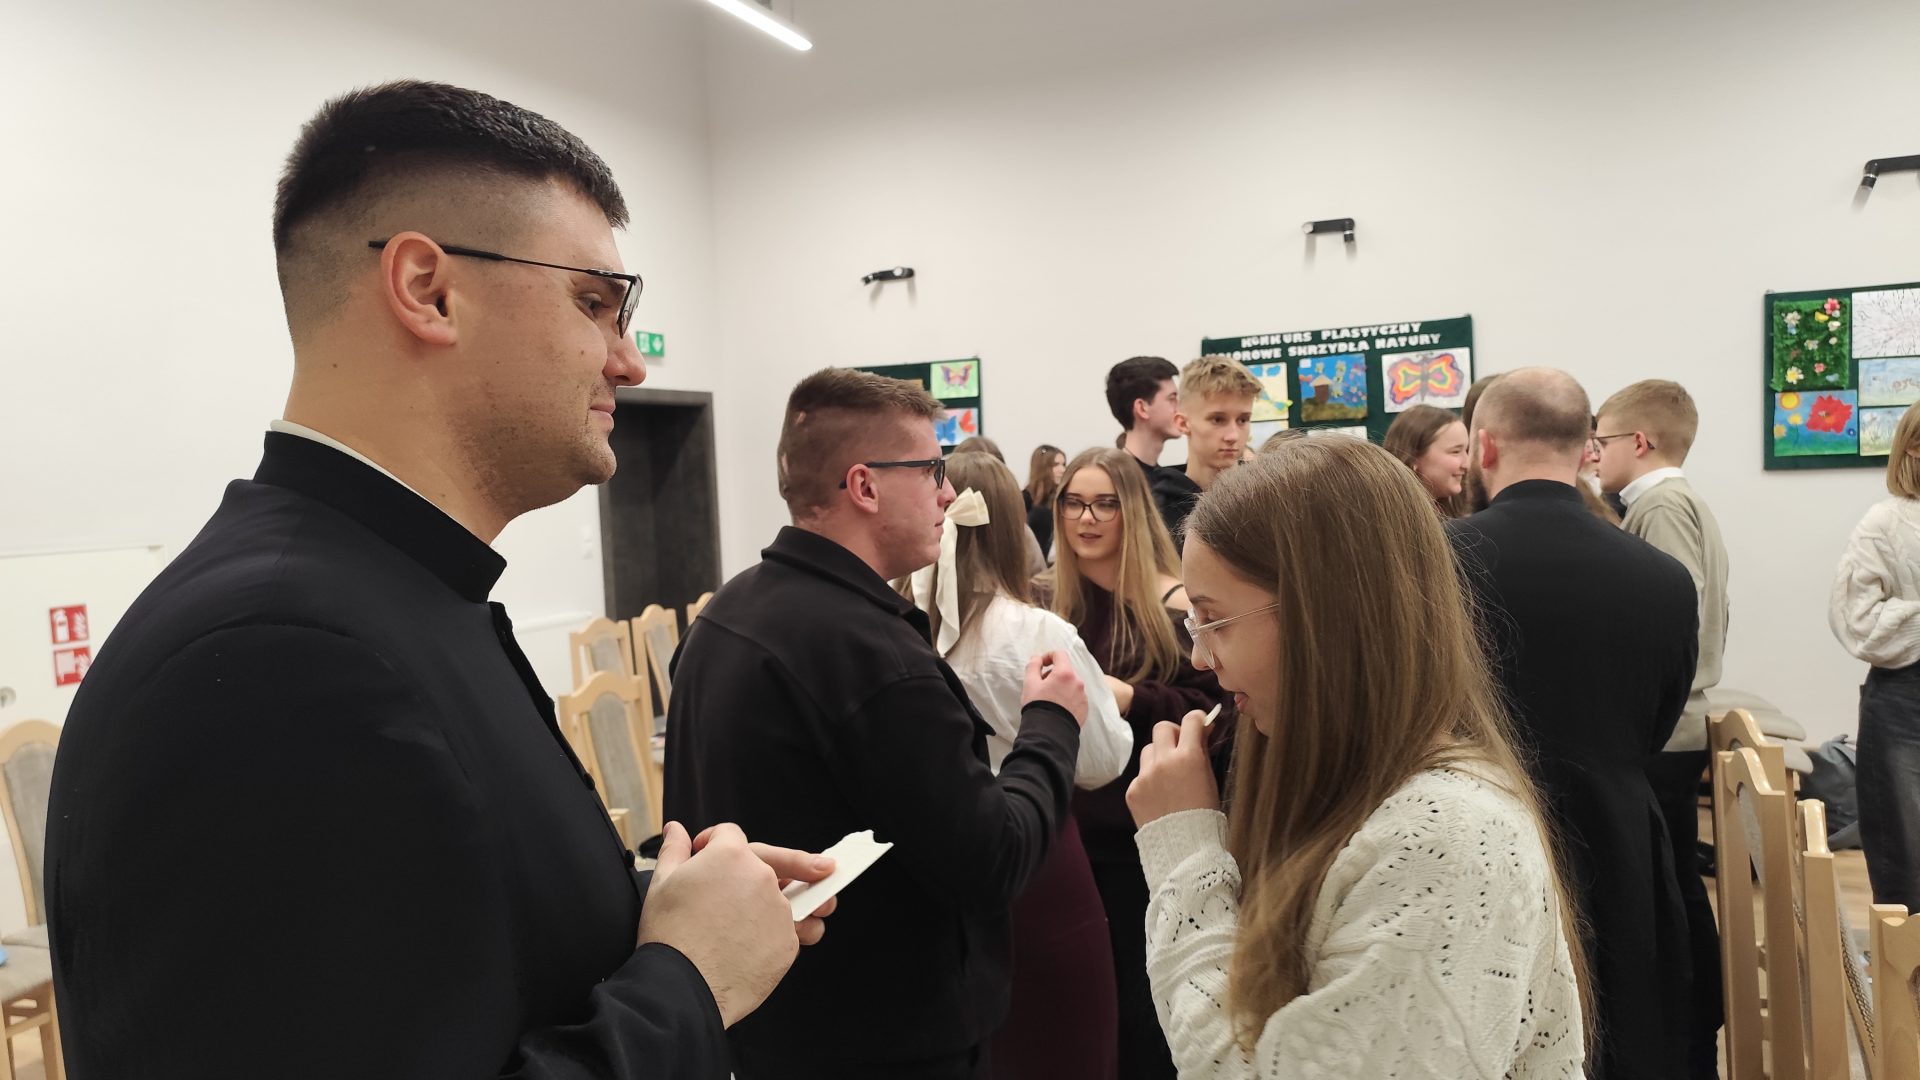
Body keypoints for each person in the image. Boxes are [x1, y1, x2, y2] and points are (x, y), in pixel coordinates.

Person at [45, 81, 832, 1078]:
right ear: (428, 289)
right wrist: (690, 980)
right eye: (594, 303)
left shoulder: (387, 597)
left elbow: (437, 956)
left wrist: (659, 906)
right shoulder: (285, 654)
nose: (628, 362)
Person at [665, 368, 1088, 1079]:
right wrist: (1050, 724)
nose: (948, 495)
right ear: (864, 486)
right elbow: (992, 859)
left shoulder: (729, 609)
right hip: (887, 1040)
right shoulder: (872, 655)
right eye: (932, 471)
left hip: (770, 1020)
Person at [1125, 436, 1587, 1078]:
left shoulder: (1445, 838)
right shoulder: (1346, 793)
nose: (1201, 657)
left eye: (1216, 621)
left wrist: (1185, 853)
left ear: (1322, 615)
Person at [1448, 368, 1700, 1080]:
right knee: (1618, 1028)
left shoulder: (1435, 561)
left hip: (1475, 834)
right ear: (1586, 448)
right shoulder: (1663, 577)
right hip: (1617, 833)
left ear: (1484, 446)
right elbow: (1658, 721)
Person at [905, 451, 1130, 1080]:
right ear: (1013, 528)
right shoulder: (1036, 632)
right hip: (1040, 860)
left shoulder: (900, 627)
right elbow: (1102, 759)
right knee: (1061, 1047)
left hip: (938, 867)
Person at [1039, 447, 1230, 1080]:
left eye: (1104, 504)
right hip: (1070, 840)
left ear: (1132, 511)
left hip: (1144, 842)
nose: (1086, 518)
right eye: (1073, 503)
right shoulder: (1047, 606)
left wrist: (1132, 698)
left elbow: (1215, 707)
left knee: (1154, 1015)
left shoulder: (1173, 604)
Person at [1593, 378, 1727, 1076]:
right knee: (1672, 876)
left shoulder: (1661, 505)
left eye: (1603, 440)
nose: (1595, 454)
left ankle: (1691, 1015)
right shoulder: (1666, 502)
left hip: (1668, 727)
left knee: (1670, 884)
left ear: (1639, 442)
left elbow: (1674, 610)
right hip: (1674, 720)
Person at [1830, 400, 1920, 910]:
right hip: (1907, 704)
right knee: (1906, 870)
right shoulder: (1885, 523)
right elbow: (1859, 623)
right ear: (1915, 446)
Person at [1162, 356, 1259, 536]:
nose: (1233, 435)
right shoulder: (1155, 513)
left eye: (1243, 420)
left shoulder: (1265, 500)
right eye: (1218, 420)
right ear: (1182, 423)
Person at [1107, 355, 1200, 537]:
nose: (1179, 408)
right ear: (1142, 408)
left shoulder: (1164, 480)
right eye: (1172, 399)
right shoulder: (1117, 482)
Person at [1382, 404, 1469, 517]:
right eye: (1455, 452)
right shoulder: (1392, 519)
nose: (1467, 464)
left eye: (1466, 450)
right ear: (1413, 456)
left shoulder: (1451, 511)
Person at [1023, 443, 1065, 559]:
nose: (1062, 469)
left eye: (1063, 464)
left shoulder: (1063, 499)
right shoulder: (1023, 499)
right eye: (1056, 465)